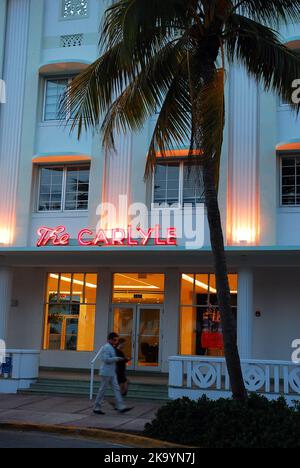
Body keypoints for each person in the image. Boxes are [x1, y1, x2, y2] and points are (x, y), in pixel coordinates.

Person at [93, 332, 133, 415]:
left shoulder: (111, 347)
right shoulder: (106, 347)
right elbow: (105, 359)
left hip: (112, 372)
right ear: (110, 340)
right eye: (114, 340)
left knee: (116, 389)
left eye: (116, 340)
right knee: (102, 390)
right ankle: (96, 407)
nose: (116, 342)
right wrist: (117, 358)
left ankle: (121, 407)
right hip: (106, 372)